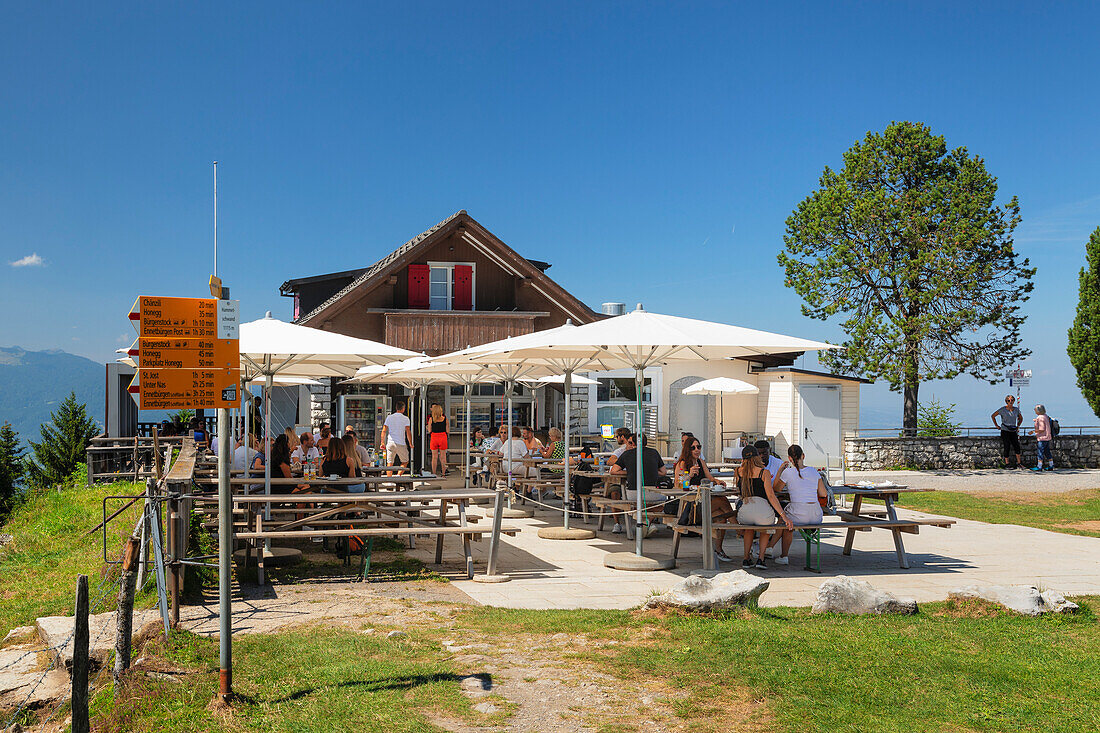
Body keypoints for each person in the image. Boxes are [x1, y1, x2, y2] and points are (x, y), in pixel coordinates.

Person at [674, 435, 734, 561]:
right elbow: (677, 486)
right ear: (687, 450)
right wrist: (689, 476)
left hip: (703, 503)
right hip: (691, 508)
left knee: (722, 518)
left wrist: (718, 481)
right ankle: (739, 529)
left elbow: (710, 478)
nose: (697, 450)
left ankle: (718, 550)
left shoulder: (701, 462)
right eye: (693, 448)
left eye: (699, 447)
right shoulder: (682, 463)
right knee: (722, 500)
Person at [736, 444, 792, 569]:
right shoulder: (764, 473)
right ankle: (761, 559)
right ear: (757, 457)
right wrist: (784, 516)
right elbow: (771, 496)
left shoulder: (739, 472)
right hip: (763, 510)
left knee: (749, 529)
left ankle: (746, 558)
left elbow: (739, 491)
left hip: (745, 511)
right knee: (765, 529)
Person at [768, 444, 827, 564]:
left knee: (785, 520)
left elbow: (776, 489)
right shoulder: (813, 471)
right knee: (788, 521)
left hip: (799, 512)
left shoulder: (788, 473)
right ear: (803, 456)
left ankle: (773, 549)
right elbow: (823, 493)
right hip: (816, 515)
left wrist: (780, 470)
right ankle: (776, 552)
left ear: (789, 459)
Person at [379, 401, 414, 474]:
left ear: (396, 408)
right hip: (401, 443)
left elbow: (384, 430)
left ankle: (389, 480)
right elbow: (408, 431)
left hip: (390, 442)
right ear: (403, 409)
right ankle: (398, 476)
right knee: (405, 461)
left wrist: (382, 442)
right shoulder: (405, 418)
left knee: (389, 463)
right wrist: (410, 443)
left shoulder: (389, 417)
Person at [991, 395, 1024, 468]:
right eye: (1009, 400)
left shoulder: (1016, 410)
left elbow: (1021, 418)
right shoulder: (1002, 409)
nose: (1011, 402)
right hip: (1005, 430)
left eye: (1012, 400)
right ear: (1006, 401)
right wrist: (996, 425)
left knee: (1017, 446)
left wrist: (1018, 426)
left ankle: (1019, 463)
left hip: (1013, 430)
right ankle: (1007, 464)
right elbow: (993, 416)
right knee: (1007, 446)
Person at [427, 403, 449, 476]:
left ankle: (434, 473)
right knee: (443, 457)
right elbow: (448, 431)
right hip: (443, 437)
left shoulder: (431, 419)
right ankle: (443, 474)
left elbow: (429, 430)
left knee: (434, 457)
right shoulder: (445, 419)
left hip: (434, 437)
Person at [1032, 404, 1055, 472]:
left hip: (1042, 438)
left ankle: (1039, 466)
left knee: (1040, 452)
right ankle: (1051, 465)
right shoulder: (1045, 416)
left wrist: (1033, 431)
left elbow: (1042, 429)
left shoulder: (1040, 418)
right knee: (1047, 452)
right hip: (1047, 437)